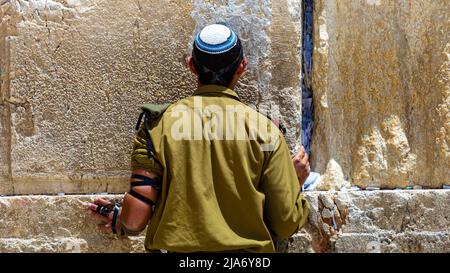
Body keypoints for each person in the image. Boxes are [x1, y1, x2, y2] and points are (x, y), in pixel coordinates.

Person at [85, 23, 310, 253]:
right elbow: (285, 223)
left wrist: (120, 217)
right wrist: (292, 184)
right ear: (242, 67)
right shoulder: (266, 130)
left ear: (191, 66)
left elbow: (134, 221)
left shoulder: (157, 125)